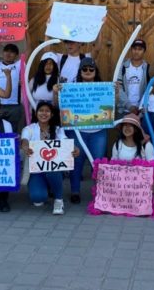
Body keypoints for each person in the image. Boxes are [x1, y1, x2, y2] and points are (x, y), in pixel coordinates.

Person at [55, 57, 126, 203]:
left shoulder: (104, 87)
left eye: (91, 69)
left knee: (98, 163)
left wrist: (116, 93)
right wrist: (56, 92)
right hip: (76, 131)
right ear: (80, 71)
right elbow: (57, 106)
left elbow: (113, 105)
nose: (87, 72)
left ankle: (99, 192)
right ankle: (75, 191)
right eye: (84, 69)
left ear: (95, 71)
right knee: (76, 161)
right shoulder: (69, 87)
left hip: (98, 132)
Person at [20, 101, 78, 214]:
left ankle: (58, 199)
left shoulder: (57, 129)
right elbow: (24, 140)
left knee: (52, 170)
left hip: (53, 170)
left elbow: (65, 140)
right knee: (38, 199)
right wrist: (26, 147)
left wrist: (74, 147)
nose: (44, 113)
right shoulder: (29, 129)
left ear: (51, 114)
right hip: (36, 171)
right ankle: (47, 187)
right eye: (41, 110)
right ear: (36, 113)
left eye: (47, 111)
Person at [117, 39, 149, 115]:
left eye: (140, 49)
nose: (136, 51)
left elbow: (149, 90)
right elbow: (119, 87)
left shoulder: (147, 68)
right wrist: (129, 106)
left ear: (144, 51)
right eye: (134, 49)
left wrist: (141, 106)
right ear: (131, 50)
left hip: (140, 111)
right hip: (124, 110)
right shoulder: (123, 67)